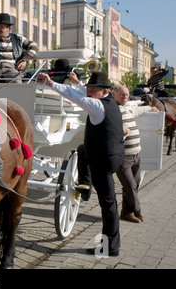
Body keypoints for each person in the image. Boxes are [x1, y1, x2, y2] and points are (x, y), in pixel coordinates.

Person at [37, 71, 124, 257]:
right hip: (113, 154)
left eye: (94, 89)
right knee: (82, 150)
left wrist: (51, 83)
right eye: (89, 88)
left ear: (103, 91)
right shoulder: (109, 102)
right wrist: (80, 84)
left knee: (108, 204)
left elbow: (74, 95)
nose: (89, 91)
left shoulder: (96, 105)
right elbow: (83, 92)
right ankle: (85, 184)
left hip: (103, 160)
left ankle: (110, 247)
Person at [112, 85, 158, 223]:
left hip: (137, 155)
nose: (125, 97)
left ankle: (126, 212)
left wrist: (150, 108)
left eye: (126, 94)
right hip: (123, 157)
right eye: (121, 94)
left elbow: (140, 109)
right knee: (130, 186)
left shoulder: (128, 108)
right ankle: (138, 210)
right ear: (113, 94)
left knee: (134, 185)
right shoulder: (112, 110)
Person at [0, 13, 39, 83]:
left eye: (1, 27)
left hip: (11, 68)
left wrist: (24, 60)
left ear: (9, 28)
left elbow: (34, 47)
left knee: (17, 81)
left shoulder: (18, 38)